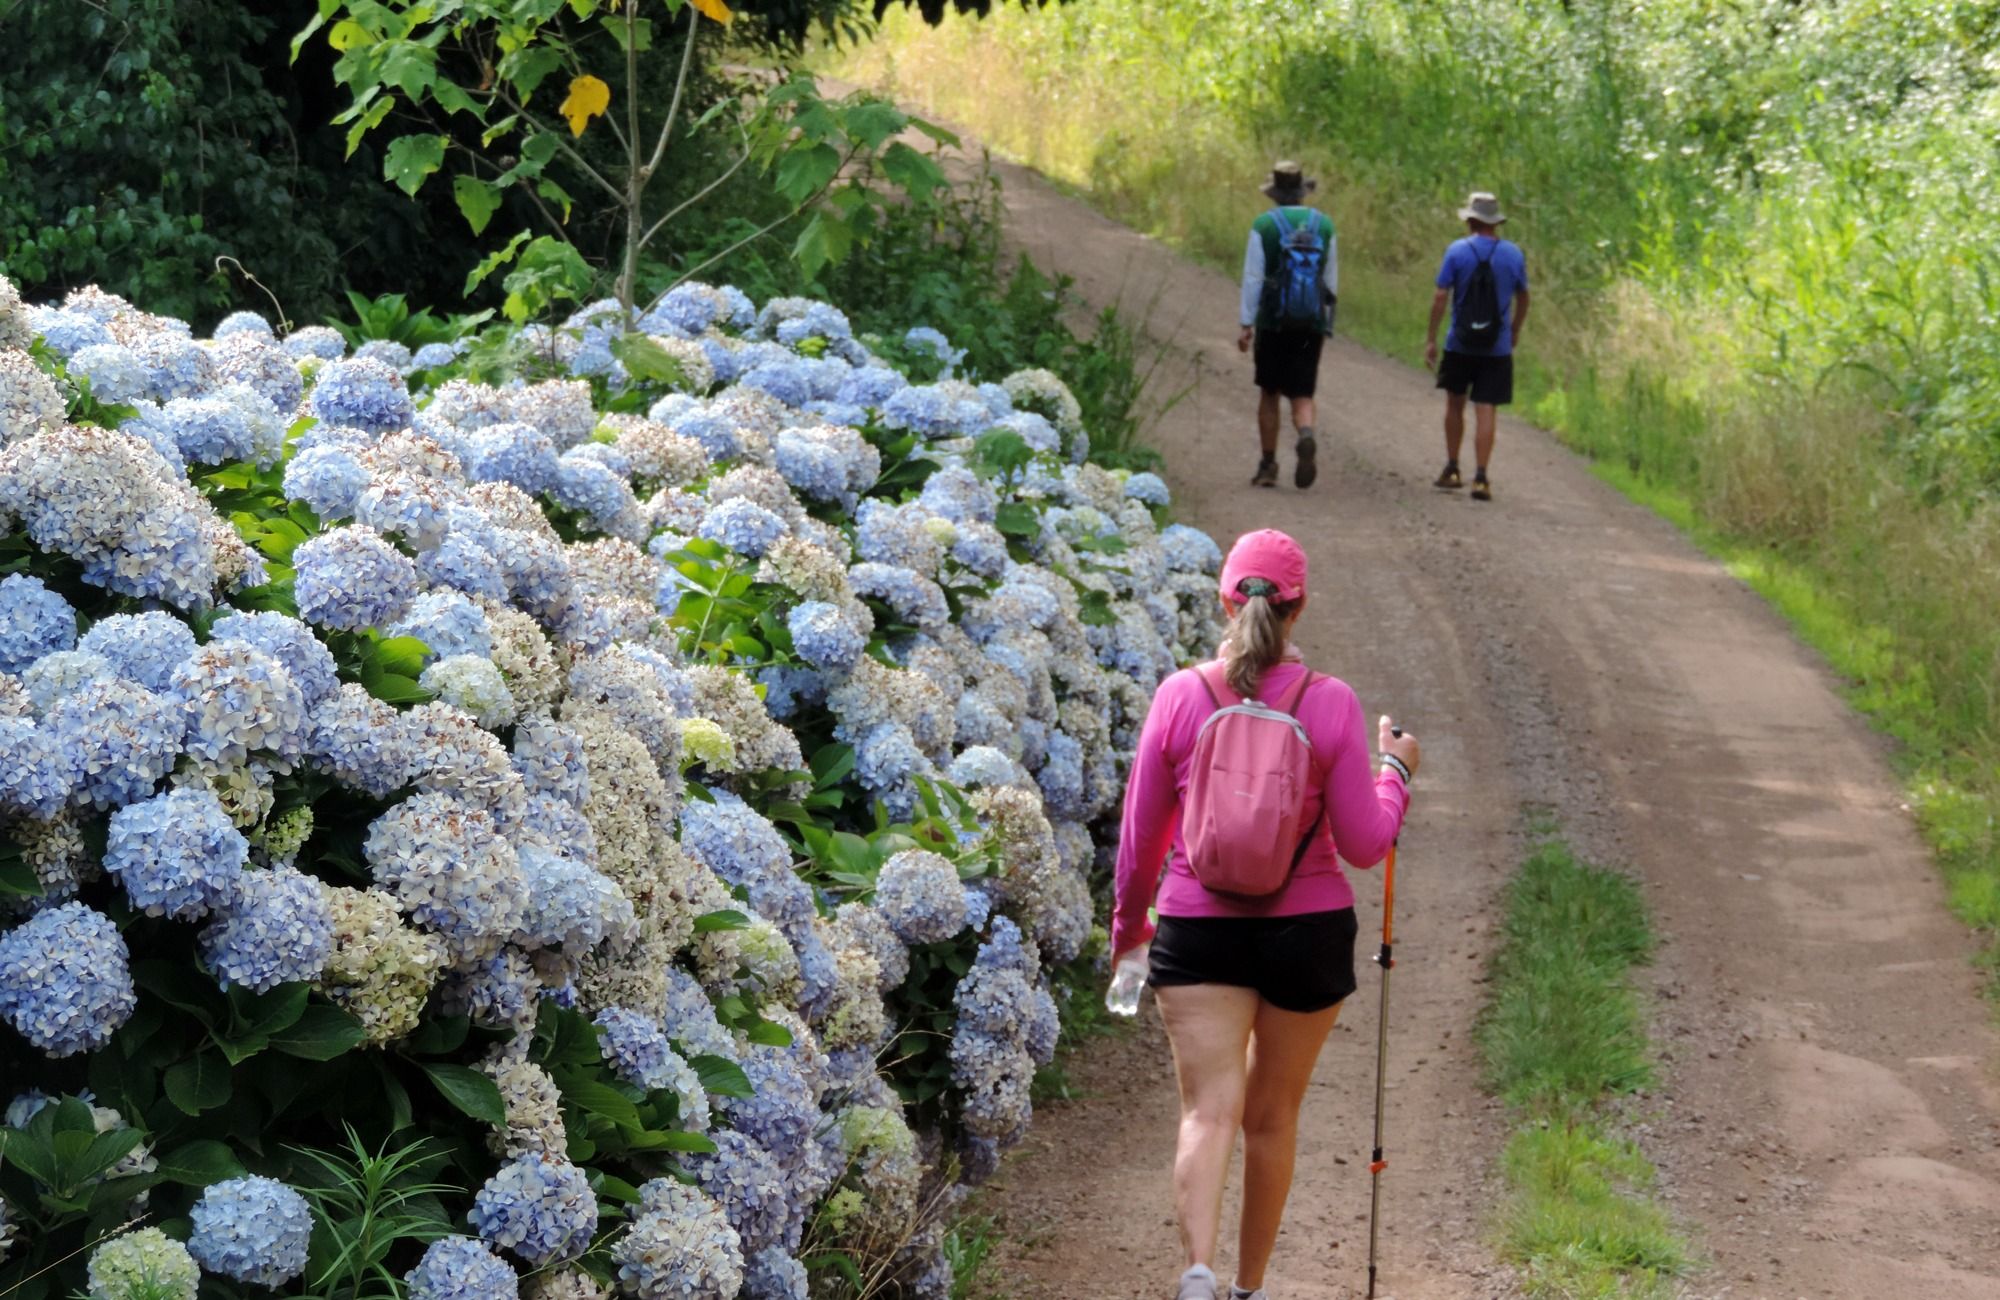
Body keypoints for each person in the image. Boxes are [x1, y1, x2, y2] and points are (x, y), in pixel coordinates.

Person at [1112, 529, 1420, 1300]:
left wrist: (1130, 935)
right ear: (1299, 607)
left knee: (1207, 1115)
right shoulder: (1330, 702)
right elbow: (1365, 844)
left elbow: (1140, 841)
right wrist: (1395, 772)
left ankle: (1197, 1274)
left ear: (1226, 600)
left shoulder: (1180, 696)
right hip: (1306, 934)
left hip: (1198, 930)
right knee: (1271, 1119)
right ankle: (1249, 1290)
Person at [1424, 191, 1530, 502]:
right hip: (1496, 347)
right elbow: (1524, 296)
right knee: (1486, 408)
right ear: (1495, 222)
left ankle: (1452, 468)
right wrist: (1514, 329)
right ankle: (1481, 477)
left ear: (1471, 220)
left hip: (1460, 343)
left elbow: (1440, 296)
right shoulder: (1513, 254)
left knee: (1455, 404)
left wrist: (1431, 337)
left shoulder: (1457, 251)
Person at [1237, 163, 1337, 490]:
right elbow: (1330, 280)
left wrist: (1246, 323)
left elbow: (1253, 277)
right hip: (1310, 324)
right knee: (1302, 393)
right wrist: (1325, 323)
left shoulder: (1264, 225)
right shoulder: (1324, 225)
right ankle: (1305, 433)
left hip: (1273, 323)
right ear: (1301, 191)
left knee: (1270, 393)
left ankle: (1268, 465)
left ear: (1275, 193)